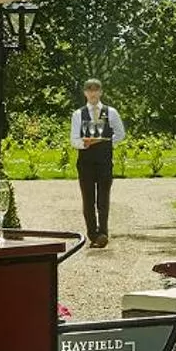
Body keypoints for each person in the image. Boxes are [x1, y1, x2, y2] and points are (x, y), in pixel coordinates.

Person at [70, 79, 124, 248]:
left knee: (103, 198)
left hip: (104, 161)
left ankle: (103, 232)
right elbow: (73, 139)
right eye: (89, 90)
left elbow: (120, 133)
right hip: (85, 162)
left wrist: (107, 143)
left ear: (101, 92)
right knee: (88, 199)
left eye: (96, 90)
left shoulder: (111, 112)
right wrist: (85, 143)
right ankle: (92, 233)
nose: (93, 93)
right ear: (85, 93)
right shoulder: (78, 114)